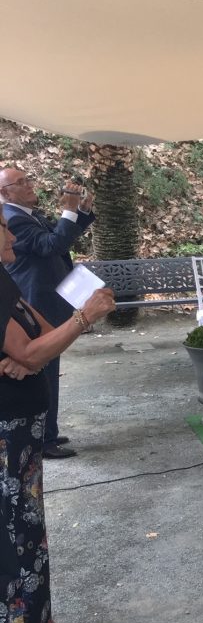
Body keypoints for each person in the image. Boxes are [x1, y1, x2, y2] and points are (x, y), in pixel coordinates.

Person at [0, 225, 115, 623]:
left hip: (23, 430)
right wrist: (81, 320)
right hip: (9, 430)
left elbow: (42, 338)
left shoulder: (7, 280)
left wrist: (36, 351)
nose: (11, 233)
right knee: (18, 536)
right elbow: (32, 351)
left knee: (22, 532)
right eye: (3, 227)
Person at [0, 166, 96, 459]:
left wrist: (80, 213)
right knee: (42, 368)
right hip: (35, 300)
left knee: (47, 370)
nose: (30, 185)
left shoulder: (26, 216)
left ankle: (47, 431)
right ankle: (44, 439)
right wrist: (68, 211)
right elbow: (51, 244)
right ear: (5, 193)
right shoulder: (13, 220)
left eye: (30, 178)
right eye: (22, 182)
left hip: (46, 300)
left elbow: (58, 239)